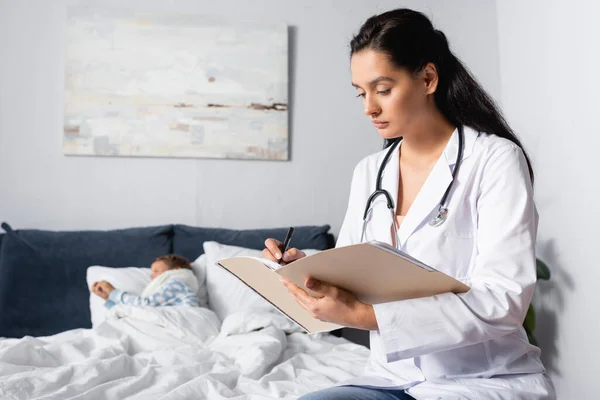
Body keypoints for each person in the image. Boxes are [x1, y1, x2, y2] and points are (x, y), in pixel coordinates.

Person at [262, 8, 555, 400]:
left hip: (480, 379)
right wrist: (305, 273)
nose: (369, 107)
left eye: (383, 89)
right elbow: (352, 275)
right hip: (390, 378)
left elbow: (503, 300)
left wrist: (365, 317)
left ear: (428, 79)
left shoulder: (494, 160)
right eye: (361, 92)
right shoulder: (369, 172)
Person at [91, 254, 200, 309]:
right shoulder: (166, 291)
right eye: (151, 274)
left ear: (176, 269)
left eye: (157, 271)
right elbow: (136, 313)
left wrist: (113, 293)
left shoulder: (177, 284)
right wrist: (108, 299)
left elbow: (145, 305)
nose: (153, 277)